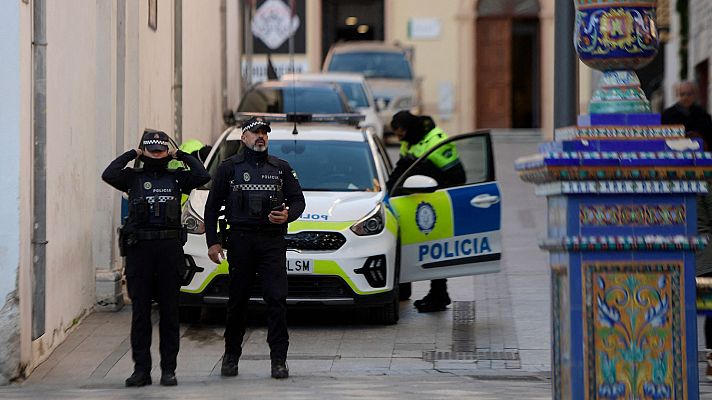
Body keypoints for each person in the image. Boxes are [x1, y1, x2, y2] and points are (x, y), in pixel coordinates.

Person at [102, 129, 210, 387]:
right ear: (145, 152)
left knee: (170, 314)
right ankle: (141, 370)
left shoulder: (177, 178)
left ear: (167, 152)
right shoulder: (132, 178)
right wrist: (133, 153)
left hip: (169, 253)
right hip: (140, 253)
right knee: (140, 313)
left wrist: (179, 154)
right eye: (152, 151)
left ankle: (168, 370)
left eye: (161, 151)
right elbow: (109, 173)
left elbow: (202, 174)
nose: (157, 155)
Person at [204, 117, 305, 379]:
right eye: (255, 132)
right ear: (244, 138)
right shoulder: (229, 168)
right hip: (240, 241)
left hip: (271, 242)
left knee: (276, 299)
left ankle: (279, 360)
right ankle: (231, 356)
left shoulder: (280, 168)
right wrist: (213, 242)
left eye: (264, 133)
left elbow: (298, 201)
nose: (260, 136)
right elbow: (212, 207)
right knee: (237, 301)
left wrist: (288, 216)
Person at [386, 111, 466, 313]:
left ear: (410, 128)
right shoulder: (410, 140)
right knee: (406, 245)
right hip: (412, 201)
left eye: (401, 132)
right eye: (396, 134)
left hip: (436, 202)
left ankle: (439, 295)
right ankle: (404, 288)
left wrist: (431, 186)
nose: (399, 138)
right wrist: (388, 191)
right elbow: (401, 170)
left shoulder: (436, 141)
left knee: (434, 250)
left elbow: (457, 177)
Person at [661, 81, 712, 149]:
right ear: (677, 95)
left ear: (695, 95)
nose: (686, 97)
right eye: (682, 94)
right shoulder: (667, 115)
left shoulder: (703, 115)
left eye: (689, 94)